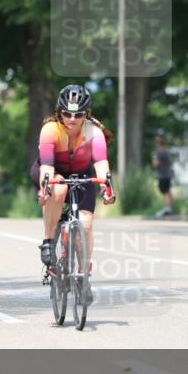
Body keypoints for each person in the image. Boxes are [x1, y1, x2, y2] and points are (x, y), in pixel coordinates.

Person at [31, 85, 116, 296]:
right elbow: (47, 167)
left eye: (78, 114)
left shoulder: (94, 132)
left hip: (82, 174)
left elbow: (101, 164)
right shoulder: (50, 130)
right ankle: (48, 241)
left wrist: (107, 187)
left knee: (85, 225)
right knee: (58, 189)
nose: (72, 118)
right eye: (67, 113)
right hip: (52, 172)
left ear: (86, 114)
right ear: (59, 112)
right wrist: (45, 189)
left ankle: (83, 276)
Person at [152, 132, 174, 216]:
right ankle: (169, 207)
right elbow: (171, 162)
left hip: (162, 175)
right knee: (167, 191)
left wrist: (154, 161)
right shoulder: (167, 151)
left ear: (158, 143)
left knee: (165, 191)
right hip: (168, 174)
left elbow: (156, 164)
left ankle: (167, 208)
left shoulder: (159, 152)